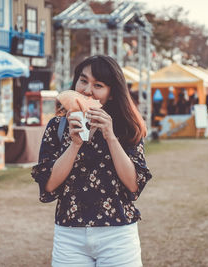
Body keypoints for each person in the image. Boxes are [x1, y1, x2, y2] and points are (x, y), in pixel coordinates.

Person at [31, 55, 152, 266]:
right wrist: (74, 144)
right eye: (83, 80)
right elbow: (49, 184)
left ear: (112, 93)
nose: (87, 90)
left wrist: (110, 137)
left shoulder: (126, 127)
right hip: (69, 236)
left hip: (117, 235)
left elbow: (134, 184)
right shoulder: (57, 126)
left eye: (98, 85)